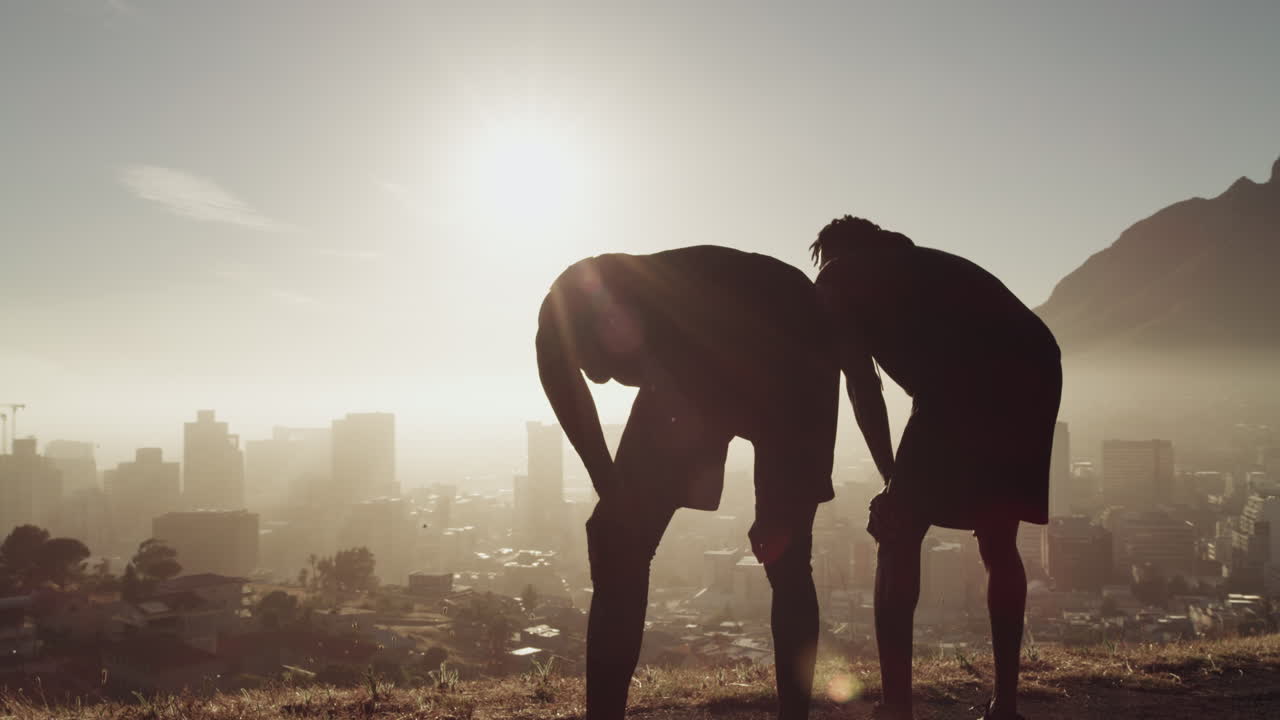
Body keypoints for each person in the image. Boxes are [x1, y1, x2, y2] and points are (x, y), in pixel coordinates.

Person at [536, 246, 839, 720]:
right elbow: (584, 409)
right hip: (801, 338)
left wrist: (617, 497)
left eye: (603, 366)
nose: (605, 379)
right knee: (787, 553)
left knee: (624, 542)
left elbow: (616, 413)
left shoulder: (612, 313)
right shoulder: (597, 307)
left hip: (776, 348)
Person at [811, 217, 1062, 720]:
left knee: (897, 532)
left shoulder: (840, 276)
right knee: (998, 537)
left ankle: (897, 708)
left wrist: (891, 483)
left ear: (837, 255)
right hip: (1036, 368)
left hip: (963, 378)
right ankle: (1005, 705)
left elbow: (863, 387)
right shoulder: (926, 266)